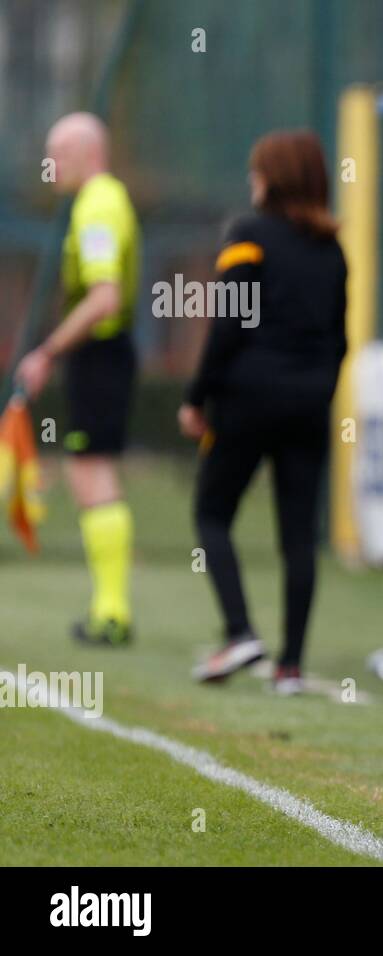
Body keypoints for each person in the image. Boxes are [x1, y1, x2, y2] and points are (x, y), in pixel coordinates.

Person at [182, 130, 348, 695]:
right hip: (308, 405)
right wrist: (318, 390)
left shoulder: (247, 235)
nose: (251, 182)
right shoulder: (333, 251)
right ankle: (291, 666)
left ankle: (239, 632)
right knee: (299, 535)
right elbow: (340, 341)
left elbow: (228, 323)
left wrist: (194, 396)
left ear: (272, 178)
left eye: (257, 172)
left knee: (211, 513)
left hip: (248, 398)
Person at [15, 112, 140, 647]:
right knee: (88, 472)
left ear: (88, 152)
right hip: (102, 355)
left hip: (101, 354)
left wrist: (47, 352)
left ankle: (111, 612)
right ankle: (109, 607)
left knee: (93, 473)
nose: (51, 165)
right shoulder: (101, 200)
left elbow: (104, 297)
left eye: (57, 153)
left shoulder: (97, 205)